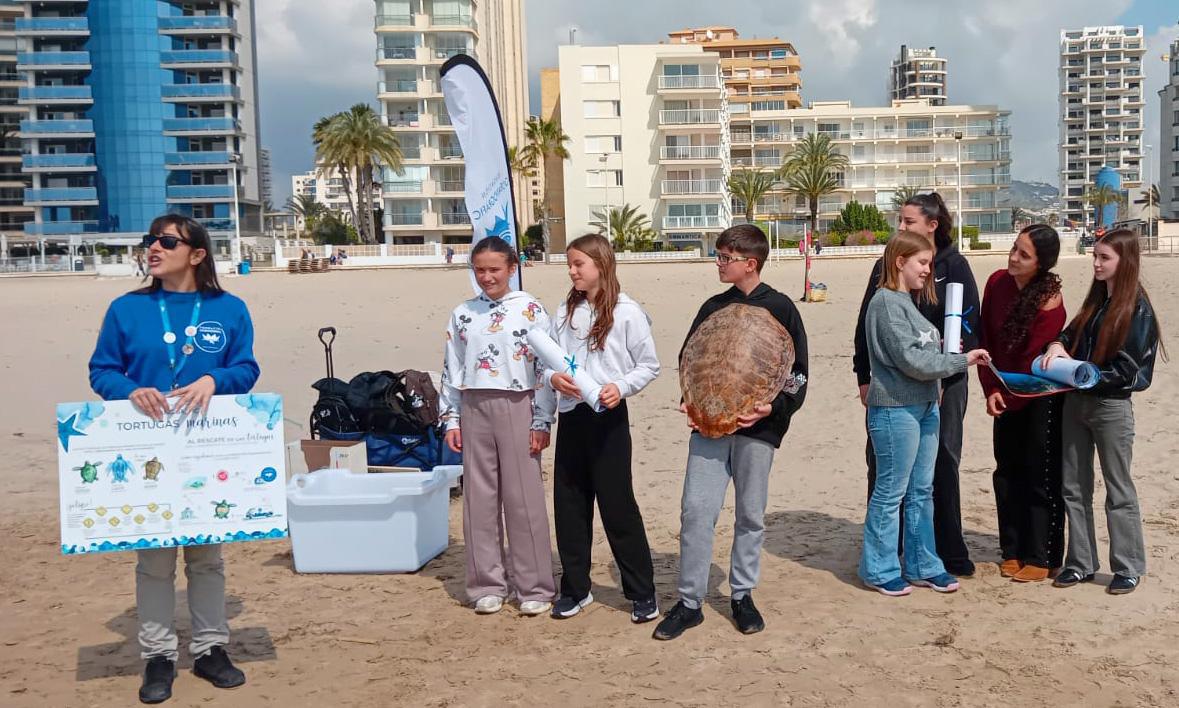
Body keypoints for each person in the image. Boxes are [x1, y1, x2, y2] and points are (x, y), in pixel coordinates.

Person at [88, 215, 259, 704]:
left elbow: (245, 367)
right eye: (151, 241)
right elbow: (101, 370)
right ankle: (158, 656)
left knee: (207, 558)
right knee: (155, 560)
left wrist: (214, 381)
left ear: (197, 254)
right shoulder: (126, 309)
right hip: (146, 448)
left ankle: (210, 649)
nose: (154, 249)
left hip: (207, 446)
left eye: (167, 241)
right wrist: (129, 390)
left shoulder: (229, 308)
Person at [653, 224, 808, 640]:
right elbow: (691, 356)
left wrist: (772, 409)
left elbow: (797, 376)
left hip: (759, 430)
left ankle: (742, 595)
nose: (718, 264)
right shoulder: (712, 306)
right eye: (718, 256)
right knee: (696, 511)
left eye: (725, 258)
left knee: (750, 514)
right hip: (708, 427)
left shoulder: (782, 308)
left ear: (750, 263)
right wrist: (689, 398)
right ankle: (689, 602)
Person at [852, 192, 980, 577]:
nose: (901, 227)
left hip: (942, 382)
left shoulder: (954, 266)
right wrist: (863, 375)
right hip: (898, 390)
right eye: (901, 221)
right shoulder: (888, 275)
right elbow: (865, 326)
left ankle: (942, 552)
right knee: (888, 474)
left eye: (908, 221)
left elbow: (968, 327)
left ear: (932, 225)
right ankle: (886, 556)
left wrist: (946, 371)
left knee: (939, 467)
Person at [546, 233, 661, 623]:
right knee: (570, 506)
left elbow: (649, 365)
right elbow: (547, 359)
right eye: (570, 264)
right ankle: (576, 590)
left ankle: (642, 594)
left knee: (618, 508)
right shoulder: (563, 311)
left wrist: (620, 387)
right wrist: (552, 379)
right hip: (571, 417)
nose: (572, 270)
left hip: (609, 418)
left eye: (579, 263)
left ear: (601, 264)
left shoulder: (628, 312)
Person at [1043, 229, 1166, 595]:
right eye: (1095, 255)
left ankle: (1127, 567)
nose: (1096, 263)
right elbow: (1069, 335)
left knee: (1118, 488)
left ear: (1124, 261)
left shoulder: (1137, 309)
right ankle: (1080, 563)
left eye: (1104, 257)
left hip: (1111, 407)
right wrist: (1056, 345)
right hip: (1076, 403)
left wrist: (1083, 373)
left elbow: (1130, 372)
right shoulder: (1095, 303)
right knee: (1073, 486)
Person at [441, 236, 557, 616]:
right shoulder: (462, 313)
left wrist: (541, 419)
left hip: (518, 403)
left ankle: (534, 586)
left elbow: (546, 368)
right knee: (479, 499)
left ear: (511, 268)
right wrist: (452, 418)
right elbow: (452, 367)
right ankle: (487, 584)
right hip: (475, 405)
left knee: (523, 499)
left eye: (494, 269)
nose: (487, 277)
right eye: (480, 270)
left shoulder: (531, 309)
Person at [977, 224, 1067, 582]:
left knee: (1040, 475)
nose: (1014, 258)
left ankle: (1043, 556)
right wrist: (990, 389)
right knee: (1006, 472)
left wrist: (1009, 392)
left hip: (1041, 395)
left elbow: (1032, 358)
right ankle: (1012, 550)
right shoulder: (996, 282)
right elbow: (985, 338)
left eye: (1024, 255)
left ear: (1041, 263)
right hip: (1003, 390)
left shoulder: (1050, 299)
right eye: (1014, 248)